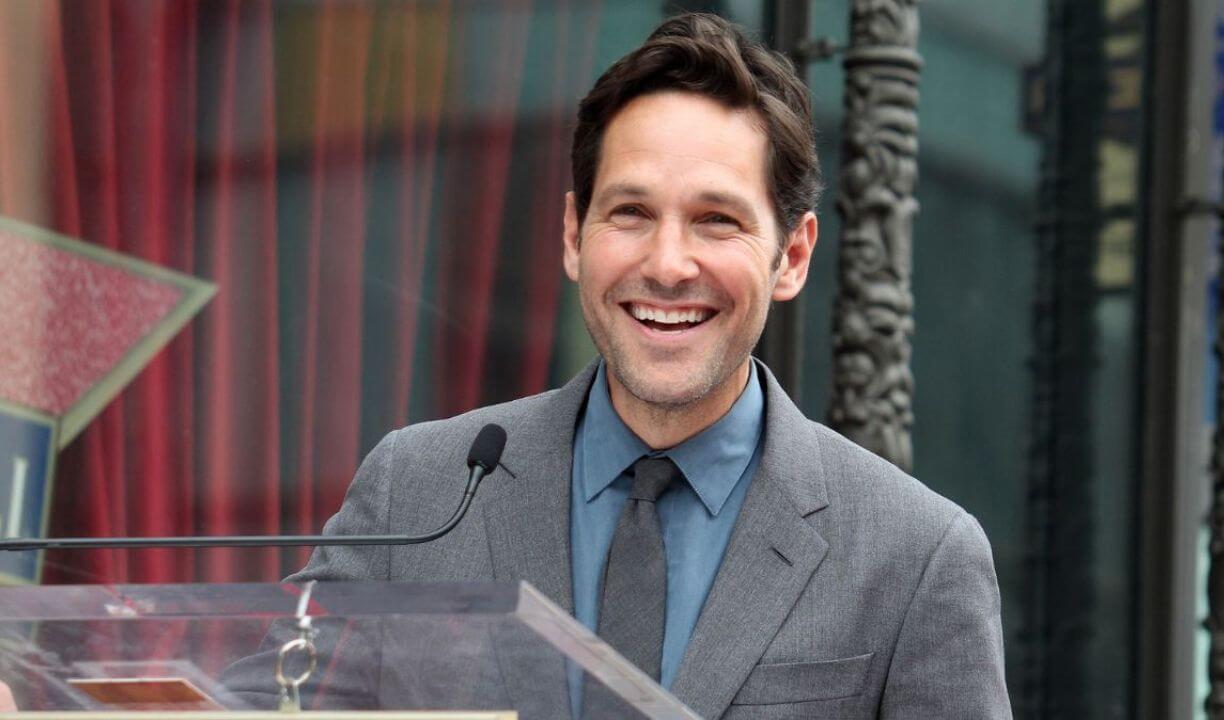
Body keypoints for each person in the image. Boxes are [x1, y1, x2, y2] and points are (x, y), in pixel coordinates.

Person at [280, 12, 1011, 720]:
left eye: (716, 220)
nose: (666, 265)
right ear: (574, 234)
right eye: (630, 212)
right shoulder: (415, 492)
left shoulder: (917, 556)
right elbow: (263, 705)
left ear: (792, 257)